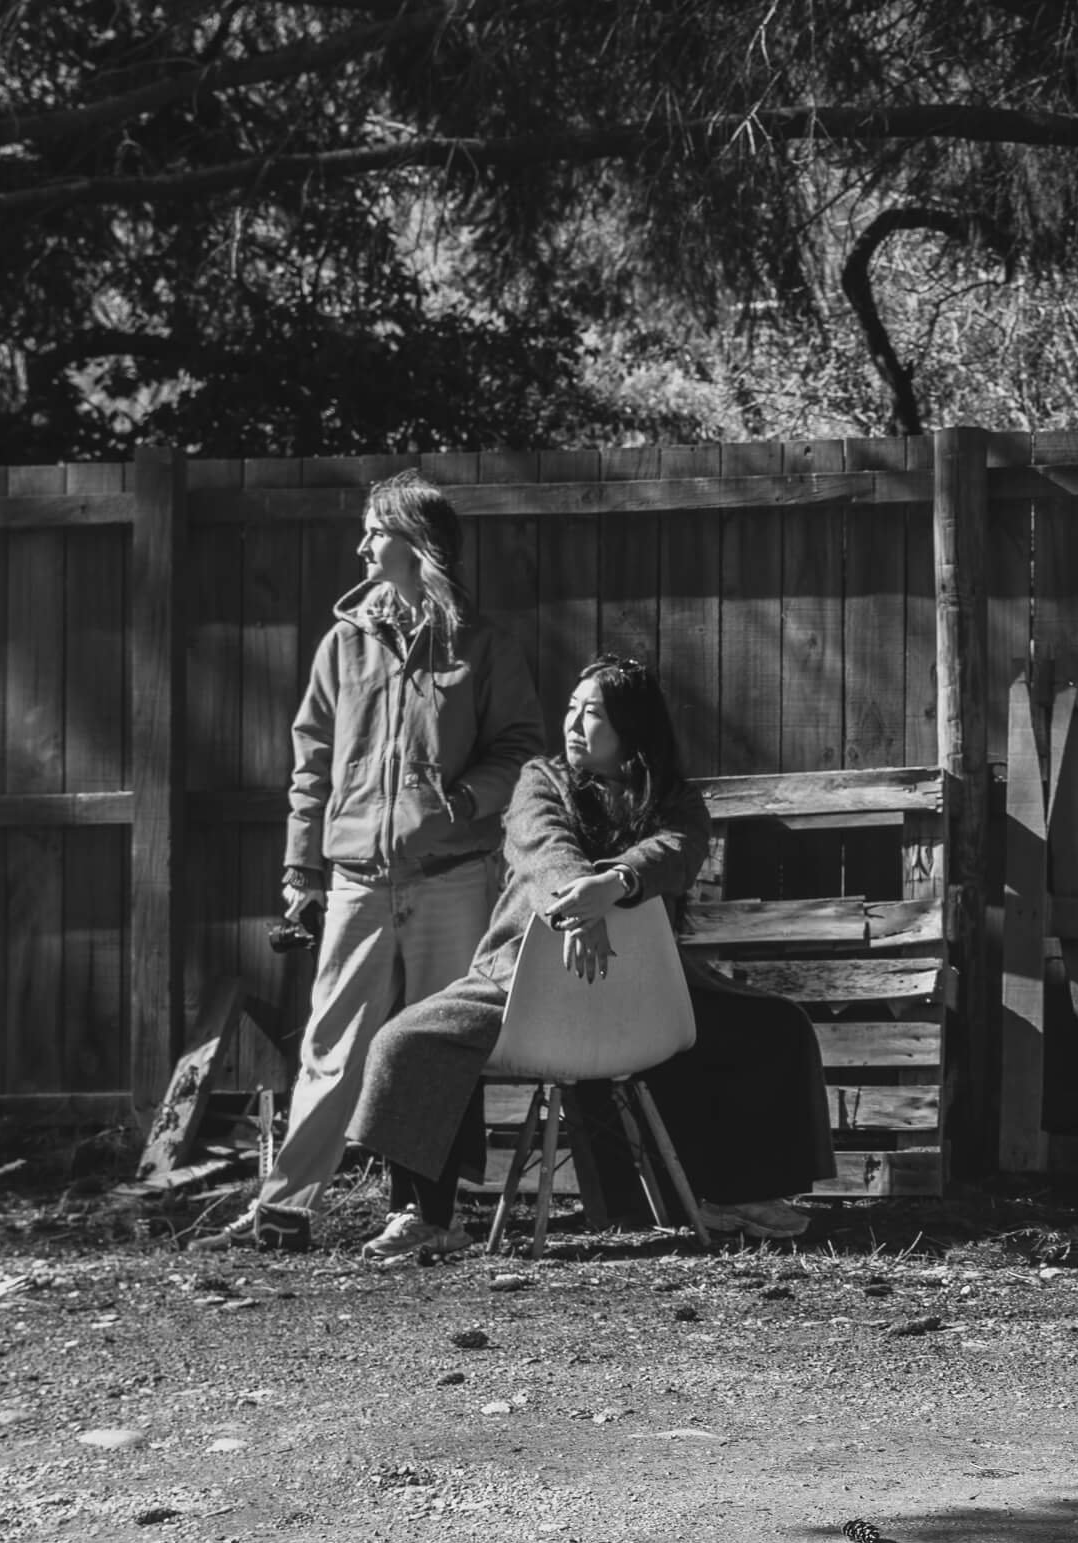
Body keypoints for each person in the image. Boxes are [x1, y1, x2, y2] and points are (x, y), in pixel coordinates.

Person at [341, 653, 835, 1257]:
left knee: (774, 1026)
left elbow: (678, 849)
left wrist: (618, 882)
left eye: (592, 713)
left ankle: (740, 1194)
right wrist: (584, 900)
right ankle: (427, 1215)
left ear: (631, 726)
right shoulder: (540, 779)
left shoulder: (673, 800)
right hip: (518, 982)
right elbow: (543, 844)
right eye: (570, 710)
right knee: (407, 1041)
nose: (573, 724)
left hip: (645, 991)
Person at [195, 470, 543, 1252]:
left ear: (417, 544)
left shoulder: (481, 646)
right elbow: (311, 764)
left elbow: (522, 750)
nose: (361, 545)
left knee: (434, 1046)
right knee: (331, 1042)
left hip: (452, 878)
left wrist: (462, 801)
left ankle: (425, 1216)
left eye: (374, 531)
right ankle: (284, 1210)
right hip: (356, 879)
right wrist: (299, 872)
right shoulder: (342, 644)